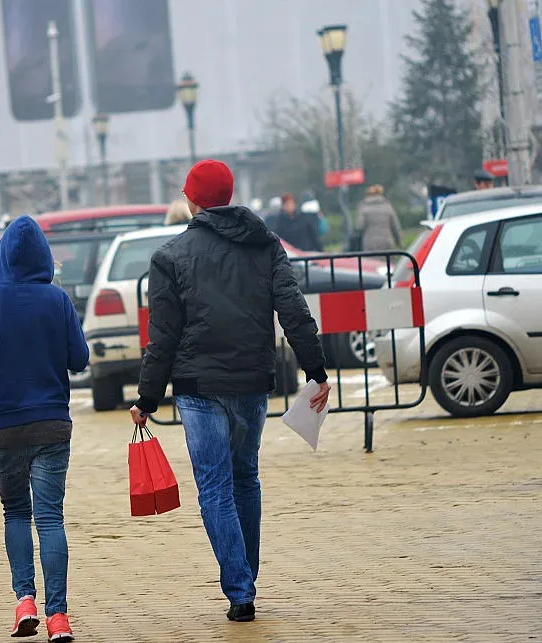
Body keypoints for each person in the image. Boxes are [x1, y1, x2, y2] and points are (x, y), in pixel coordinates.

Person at [130, 160, 330, 623]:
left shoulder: (170, 256)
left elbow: (163, 337)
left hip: (198, 386)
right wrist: (316, 369)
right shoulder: (265, 245)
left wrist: (146, 397)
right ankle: (247, 577)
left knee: (215, 487)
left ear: (192, 199)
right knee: (245, 478)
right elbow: (293, 311)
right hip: (250, 381)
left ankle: (240, 590)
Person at [0, 215, 88, 642]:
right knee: (50, 518)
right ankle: (58, 617)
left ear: (1, 257)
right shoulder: (57, 299)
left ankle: (24, 601)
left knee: (16, 514)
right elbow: (79, 359)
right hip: (51, 424)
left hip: (3, 427)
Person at [355, 184, 402, 252]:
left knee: (371, 262)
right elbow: (395, 227)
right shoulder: (388, 207)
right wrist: (399, 242)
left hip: (369, 243)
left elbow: (359, 227)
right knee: (387, 261)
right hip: (386, 242)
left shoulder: (364, 208)